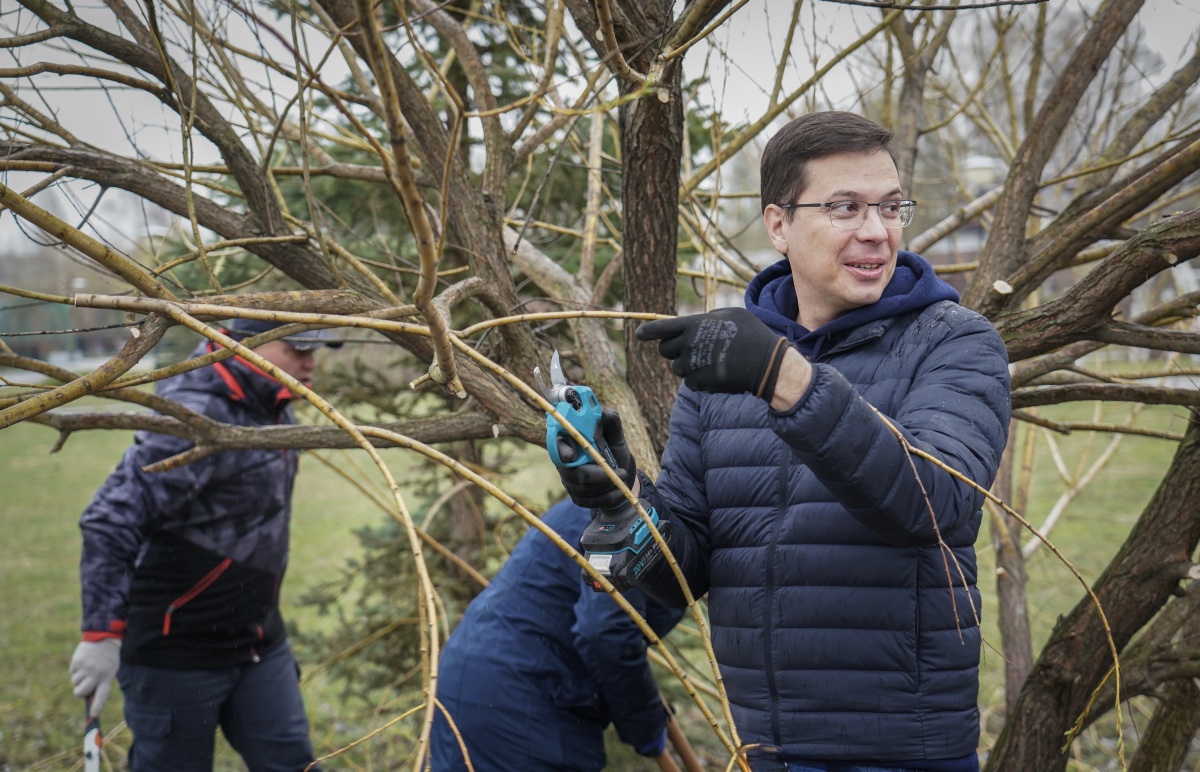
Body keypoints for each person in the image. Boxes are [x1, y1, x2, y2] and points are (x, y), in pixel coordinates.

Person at [557, 112, 1011, 771]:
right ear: (779, 226)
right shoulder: (724, 368)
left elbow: (935, 506)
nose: (877, 231)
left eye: (890, 207)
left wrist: (783, 377)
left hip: (899, 754)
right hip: (765, 748)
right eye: (846, 207)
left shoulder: (955, 342)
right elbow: (685, 576)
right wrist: (616, 500)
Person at [68, 318, 342, 771]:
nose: (310, 362)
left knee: (293, 763)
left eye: (314, 350)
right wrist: (101, 634)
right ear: (244, 345)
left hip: (259, 643)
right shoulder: (196, 416)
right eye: (297, 350)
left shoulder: (272, 406)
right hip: (177, 655)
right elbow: (111, 519)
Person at [428, 498, 686, 771]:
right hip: (519, 703)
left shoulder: (604, 499)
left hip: (475, 676)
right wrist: (645, 724)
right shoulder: (636, 519)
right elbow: (606, 632)